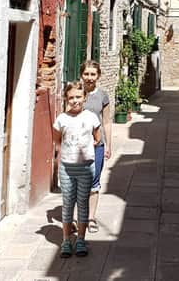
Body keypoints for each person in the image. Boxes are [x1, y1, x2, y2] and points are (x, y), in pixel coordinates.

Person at [52, 81, 100, 257]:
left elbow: (97, 138)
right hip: (67, 168)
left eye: (78, 97)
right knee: (67, 203)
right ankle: (65, 240)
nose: (74, 101)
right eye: (71, 97)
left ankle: (80, 239)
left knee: (82, 204)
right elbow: (57, 141)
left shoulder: (91, 117)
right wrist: (63, 156)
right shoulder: (61, 119)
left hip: (86, 167)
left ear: (84, 97)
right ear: (66, 98)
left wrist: (87, 152)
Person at [80, 60, 112, 234]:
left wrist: (108, 145)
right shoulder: (75, 93)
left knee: (94, 182)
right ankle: (79, 217)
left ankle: (90, 218)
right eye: (87, 74)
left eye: (93, 74)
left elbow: (106, 121)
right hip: (78, 146)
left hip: (97, 145)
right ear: (81, 75)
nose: (89, 78)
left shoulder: (103, 96)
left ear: (98, 76)